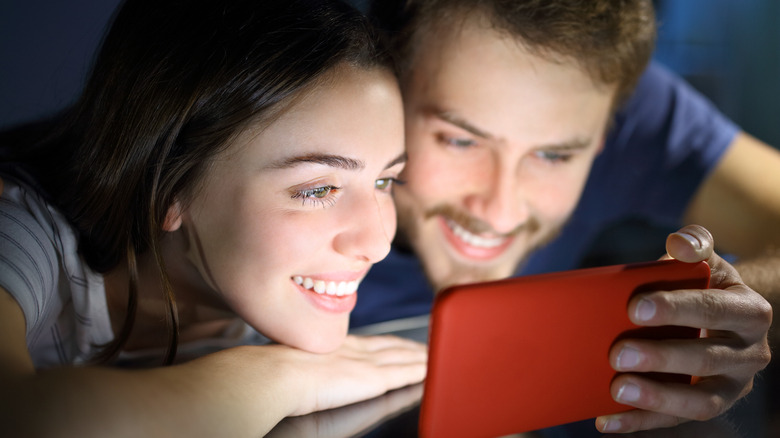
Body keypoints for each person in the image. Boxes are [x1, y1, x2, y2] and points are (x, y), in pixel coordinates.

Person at [0, 0, 426, 436]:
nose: (377, 243)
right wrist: (279, 379)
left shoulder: (273, 285)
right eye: (319, 189)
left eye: (384, 181)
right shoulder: (19, 230)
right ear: (167, 186)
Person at [352, 0, 777, 434]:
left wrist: (725, 307)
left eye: (553, 155)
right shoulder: (299, 92)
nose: (501, 213)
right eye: (460, 141)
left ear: (606, 136)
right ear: (383, 81)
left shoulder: (599, 86)